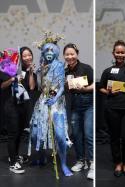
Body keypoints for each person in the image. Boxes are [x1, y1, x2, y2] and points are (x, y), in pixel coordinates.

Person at [29, 40, 73, 177]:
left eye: (51, 50)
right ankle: (41, 157)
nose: (49, 53)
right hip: (42, 103)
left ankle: (64, 164)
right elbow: (39, 87)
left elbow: (60, 87)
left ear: (56, 52)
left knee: (60, 135)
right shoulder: (41, 68)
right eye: (46, 50)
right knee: (36, 134)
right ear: (42, 52)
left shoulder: (59, 65)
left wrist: (54, 98)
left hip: (56, 104)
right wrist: (39, 72)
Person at [99, 40, 125, 177]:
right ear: (113, 53)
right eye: (117, 52)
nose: (120, 54)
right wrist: (108, 92)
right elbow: (101, 88)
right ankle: (118, 163)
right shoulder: (108, 71)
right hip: (112, 108)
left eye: (122, 52)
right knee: (114, 137)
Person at [0, 47, 36, 174]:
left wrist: (31, 72)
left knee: (19, 134)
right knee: (12, 134)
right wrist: (13, 79)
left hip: (23, 107)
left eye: (29, 55)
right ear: (19, 57)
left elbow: (31, 87)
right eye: (24, 56)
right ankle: (12, 163)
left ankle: (14, 156)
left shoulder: (29, 71)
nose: (28, 58)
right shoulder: (6, 70)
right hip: (11, 106)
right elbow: (2, 86)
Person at [64, 43, 94, 179]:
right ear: (64, 56)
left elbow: (94, 84)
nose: (70, 56)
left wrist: (85, 89)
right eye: (67, 54)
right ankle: (81, 160)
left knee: (88, 134)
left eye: (72, 54)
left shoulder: (86, 68)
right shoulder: (65, 72)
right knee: (76, 135)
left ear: (77, 54)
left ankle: (92, 163)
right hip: (74, 107)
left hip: (88, 106)